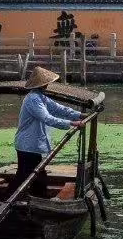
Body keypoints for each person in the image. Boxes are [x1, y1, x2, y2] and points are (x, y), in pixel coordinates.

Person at [14, 66, 84, 197]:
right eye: (47, 83)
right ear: (43, 84)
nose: (48, 85)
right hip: (28, 146)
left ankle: (35, 198)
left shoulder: (41, 97)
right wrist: (71, 123)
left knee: (30, 177)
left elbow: (59, 109)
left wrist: (79, 115)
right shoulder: (33, 99)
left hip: (31, 146)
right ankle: (21, 200)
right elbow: (47, 118)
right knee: (29, 177)